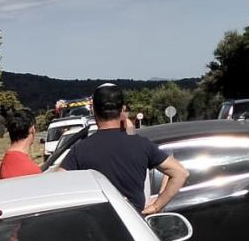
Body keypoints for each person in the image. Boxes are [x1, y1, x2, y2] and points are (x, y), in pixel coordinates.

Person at [54, 83, 188, 215]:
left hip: (98, 227)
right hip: (134, 226)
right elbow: (180, 173)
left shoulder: (80, 149)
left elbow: (57, 183)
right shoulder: (141, 144)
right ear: (123, 110)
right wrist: (156, 206)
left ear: (93, 110)